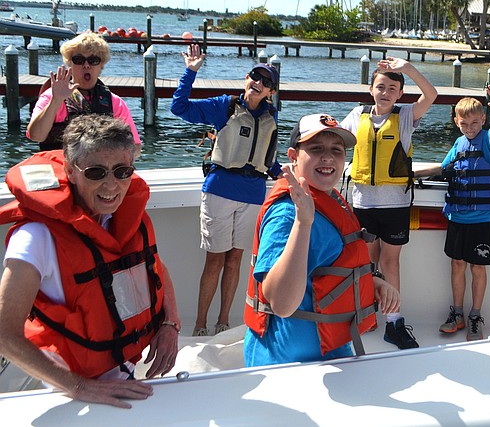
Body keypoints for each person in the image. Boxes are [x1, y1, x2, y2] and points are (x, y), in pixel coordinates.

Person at [0, 115, 179, 409]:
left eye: (122, 171)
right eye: (96, 172)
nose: (112, 185)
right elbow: (5, 334)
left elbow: (155, 267)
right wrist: (78, 386)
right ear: (71, 171)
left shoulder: (122, 219)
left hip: (126, 370)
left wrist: (170, 324)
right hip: (69, 390)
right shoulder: (36, 238)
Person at [244, 114, 400, 366]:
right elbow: (281, 304)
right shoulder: (287, 213)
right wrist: (302, 222)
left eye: (337, 150)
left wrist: (373, 282)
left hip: (332, 352)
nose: (328, 157)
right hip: (286, 364)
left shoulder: (330, 199)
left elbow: (328, 267)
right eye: (316, 149)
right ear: (293, 157)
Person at [171, 44, 282, 336]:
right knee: (215, 259)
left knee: (235, 260)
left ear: (271, 91)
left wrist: (288, 176)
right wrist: (190, 71)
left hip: (253, 195)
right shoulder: (226, 106)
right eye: (255, 77)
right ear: (246, 79)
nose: (258, 84)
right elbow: (179, 107)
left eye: (266, 82)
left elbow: (267, 158)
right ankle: (200, 325)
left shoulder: (272, 117)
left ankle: (222, 323)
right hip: (220, 191)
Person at [340, 57, 437, 349]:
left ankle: (394, 321)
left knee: (390, 261)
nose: (385, 92)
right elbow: (335, 139)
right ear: (371, 89)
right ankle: (366, 315)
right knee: (367, 262)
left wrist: (407, 68)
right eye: (380, 87)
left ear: (399, 94)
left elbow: (431, 95)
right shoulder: (357, 115)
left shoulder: (406, 116)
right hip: (363, 203)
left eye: (391, 88)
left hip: (395, 205)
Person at [415, 84, 490, 341]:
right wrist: (413, 173)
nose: (470, 128)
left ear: (483, 120)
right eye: (465, 124)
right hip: (457, 217)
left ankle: (475, 316)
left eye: (475, 123)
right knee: (457, 264)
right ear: (457, 122)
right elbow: (444, 168)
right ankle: (456, 314)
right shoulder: (458, 144)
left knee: (478, 267)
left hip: (484, 219)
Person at [26, 31, 141, 154]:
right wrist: (56, 101)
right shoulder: (51, 96)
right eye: (79, 60)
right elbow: (36, 136)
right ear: (69, 63)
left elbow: (135, 148)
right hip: (59, 167)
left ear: (101, 65)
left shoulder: (115, 103)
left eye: (93, 60)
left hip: (99, 170)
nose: (86, 65)